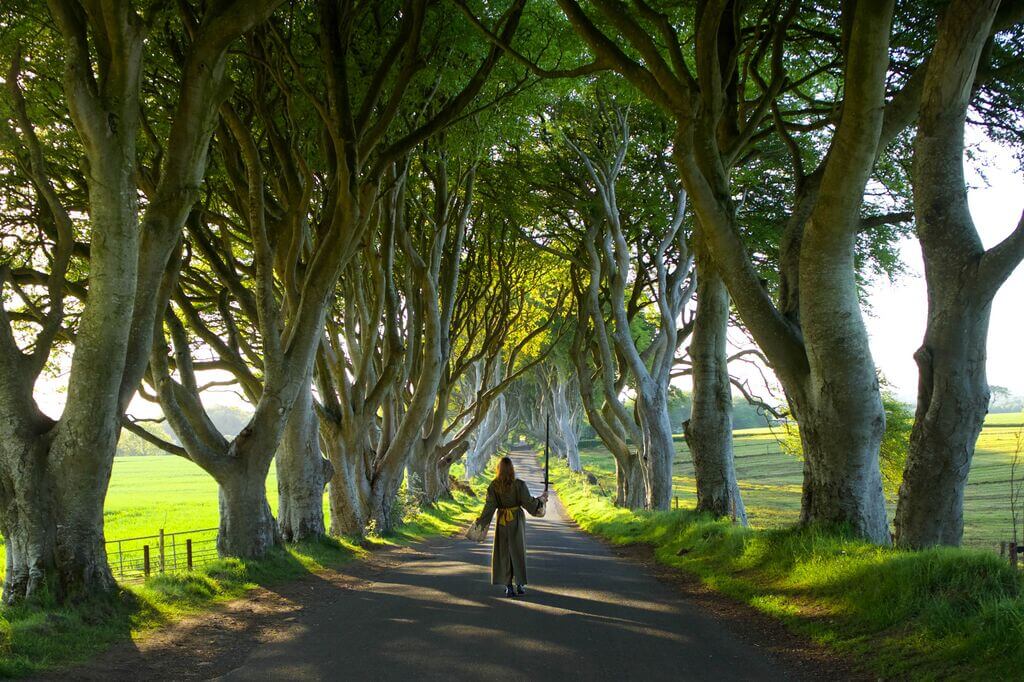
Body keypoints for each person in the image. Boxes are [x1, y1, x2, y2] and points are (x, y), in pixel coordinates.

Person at [468, 456, 548, 598]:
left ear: (498, 469)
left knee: (504, 553)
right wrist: (541, 500)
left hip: (502, 522)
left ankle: (508, 586)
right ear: (512, 469)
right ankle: (520, 585)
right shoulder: (519, 485)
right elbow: (529, 504)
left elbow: (489, 507)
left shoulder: (494, 486)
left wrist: (480, 524)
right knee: (518, 551)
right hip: (516, 520)